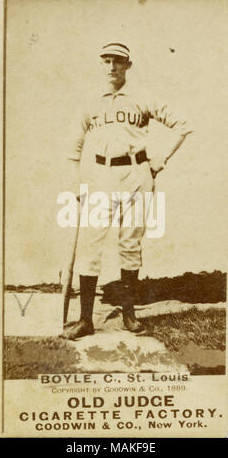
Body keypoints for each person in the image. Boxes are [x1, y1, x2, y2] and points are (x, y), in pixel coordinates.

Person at [63, 42, 192, 340]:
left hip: (136, 174)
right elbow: (73, 149)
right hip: (100, 174)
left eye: (118, 61)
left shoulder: (142, 98)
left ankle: (129, 314)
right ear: (101, 64)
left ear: (128, 65)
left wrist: (159, 162)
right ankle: (85, 320)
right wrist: (76, 183)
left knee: (131, 245)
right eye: (106, 61)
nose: (111, 67)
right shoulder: (90, 101)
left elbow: (183, 125)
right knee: (90, 246)